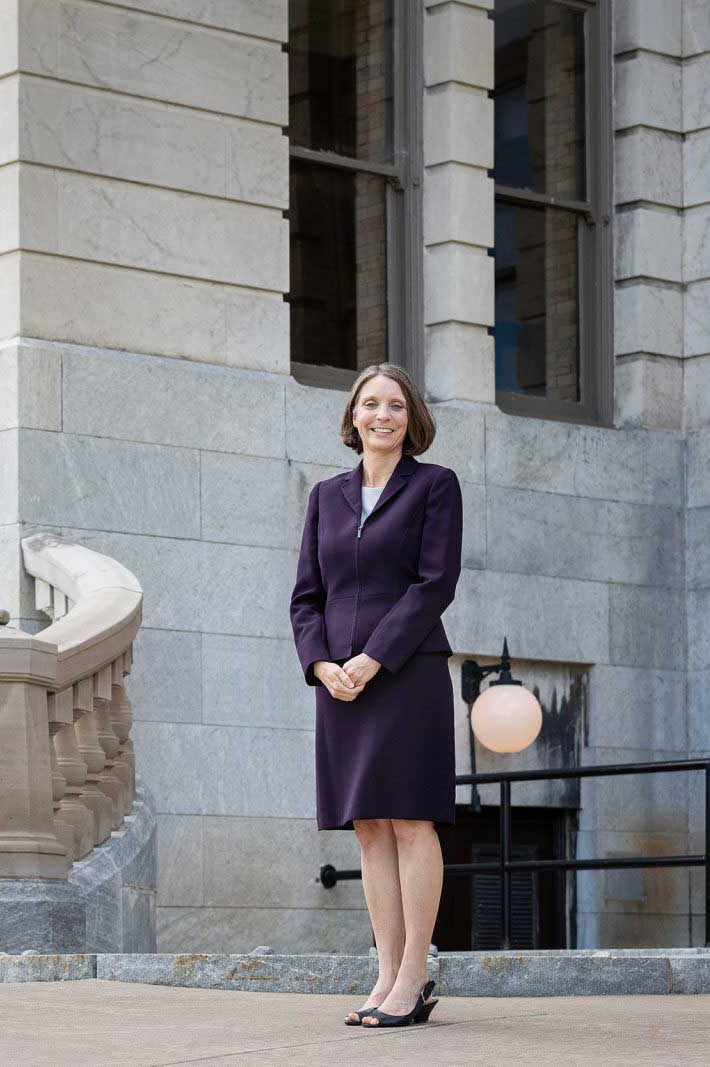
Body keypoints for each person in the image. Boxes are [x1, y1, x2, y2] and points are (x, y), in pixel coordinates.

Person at [288, 363, 463, 1029]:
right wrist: (321, 663)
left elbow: (433, 583)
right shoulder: (326, 495)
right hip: (340, 685)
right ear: (353, 416)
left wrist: (370, 656)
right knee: (368, 825)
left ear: (410, 417)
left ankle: (415, 972)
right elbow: (308, 595)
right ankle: (386, 969)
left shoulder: (434, 486)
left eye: (395, 404)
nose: (382, 414)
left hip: (406, 672)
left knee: (410, 819)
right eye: (371, 404)